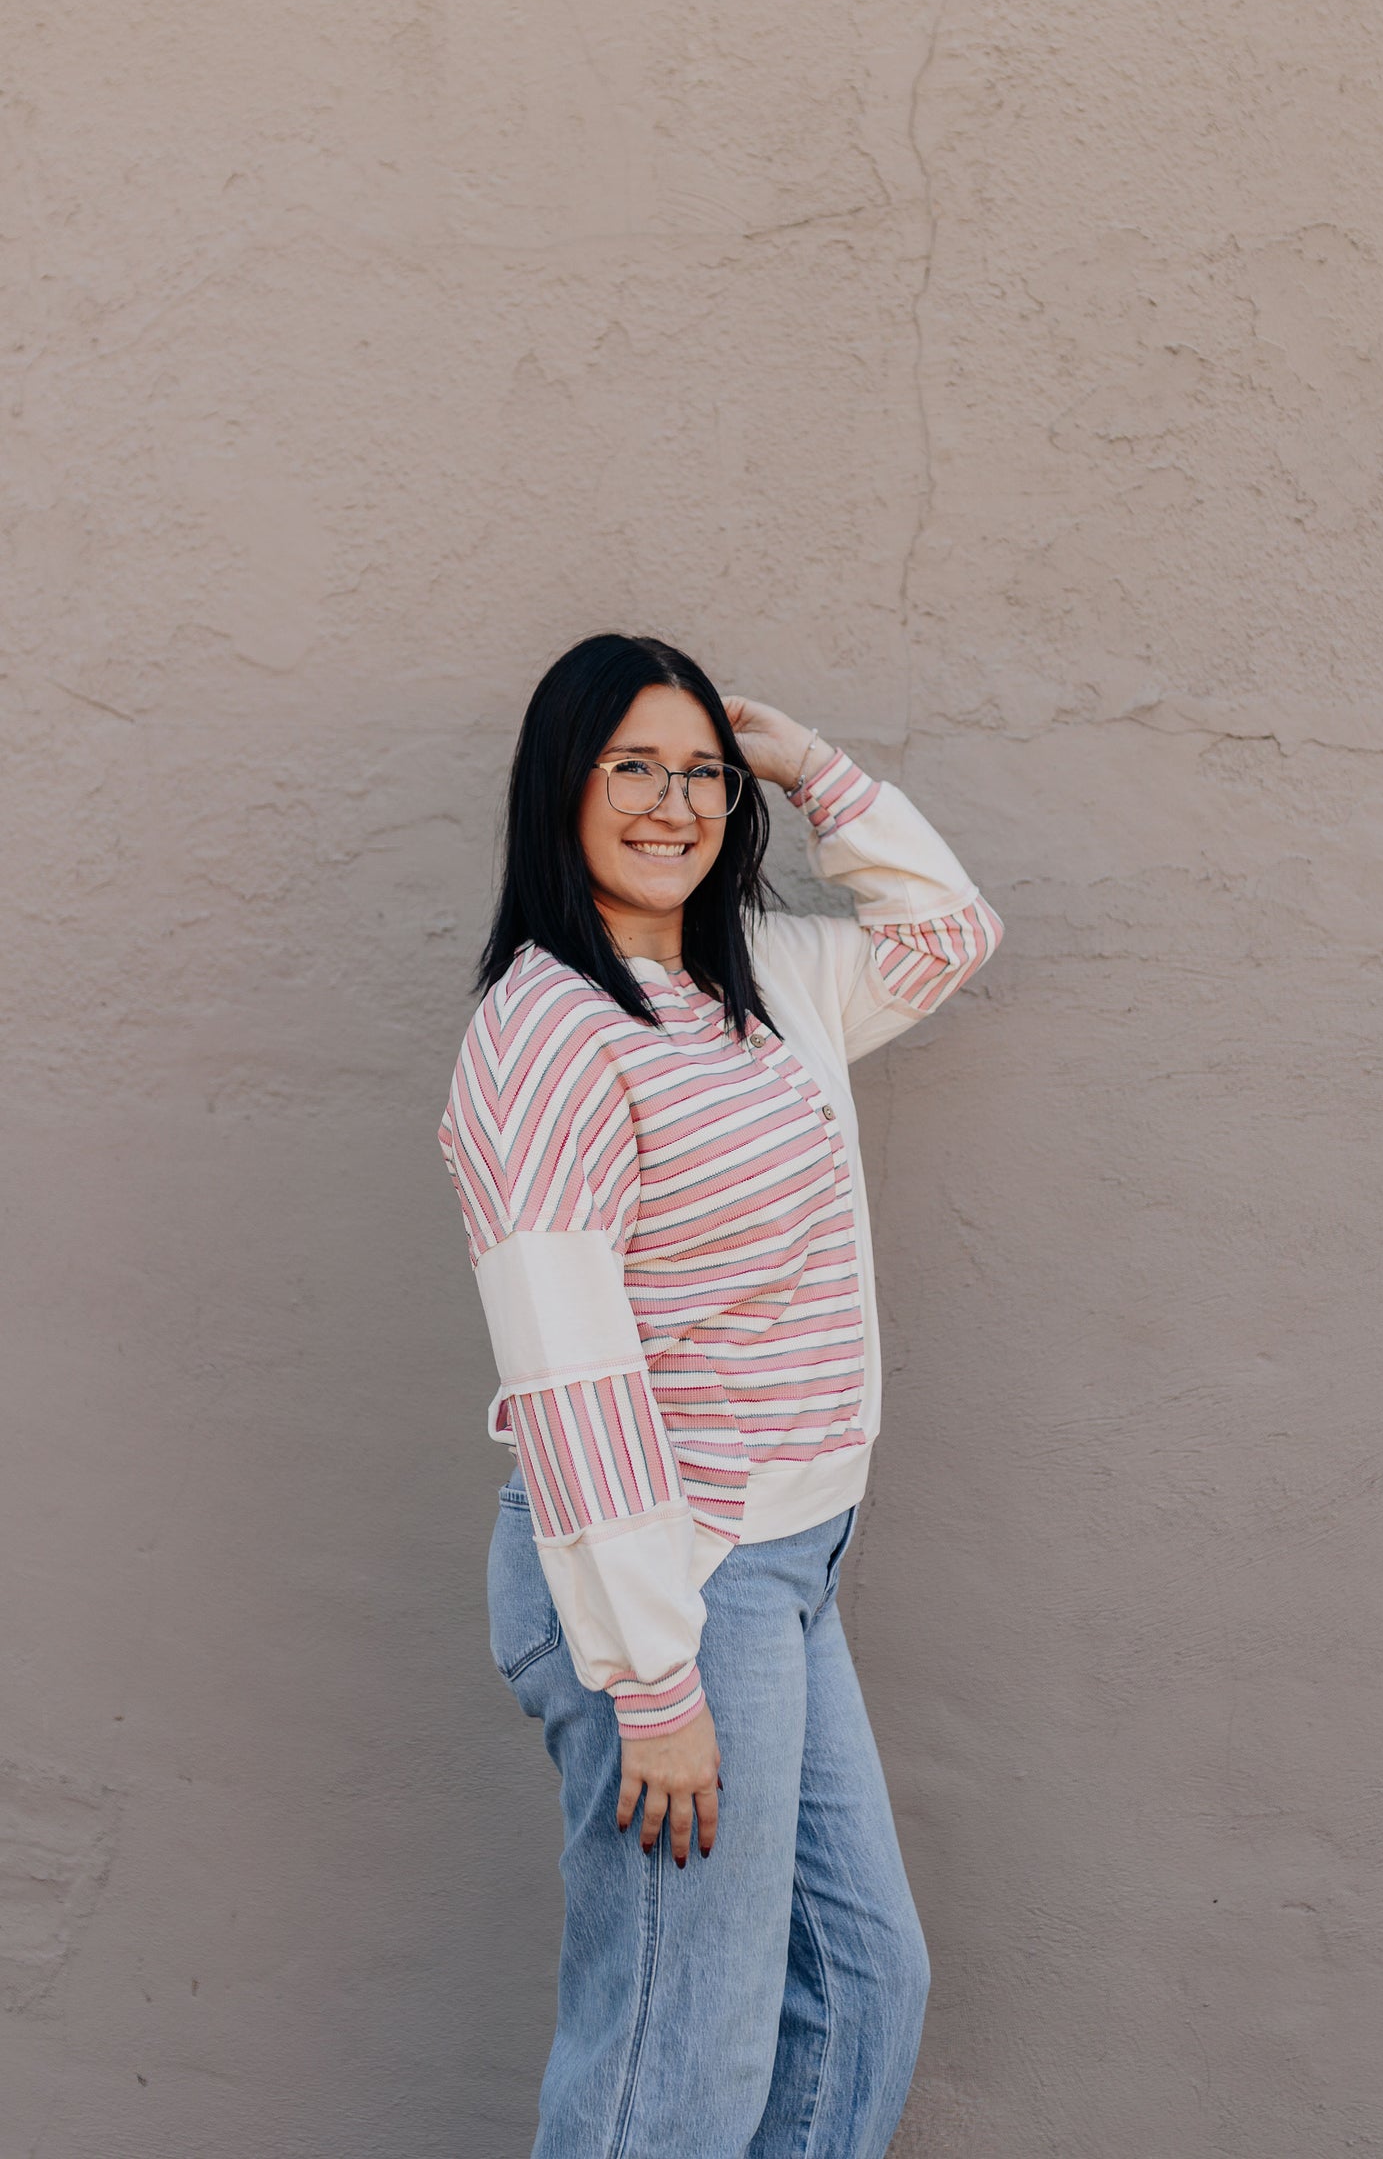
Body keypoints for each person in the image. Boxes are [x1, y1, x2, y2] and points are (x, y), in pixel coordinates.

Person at [439, 632, 1003, 2158]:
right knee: (673, 2065)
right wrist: (652, 1681)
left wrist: (804, 761)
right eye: (632, 764)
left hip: (788, 1562)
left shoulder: (768, 986)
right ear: (559, 784)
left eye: (698, 769)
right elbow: (567, 1376)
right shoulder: (545, 1033)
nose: (673, 801)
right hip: (667, 1577)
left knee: (862, 1985)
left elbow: (947, 925)